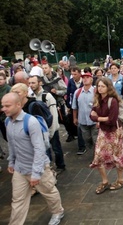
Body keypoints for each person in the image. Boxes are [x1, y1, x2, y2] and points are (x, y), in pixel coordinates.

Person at [2, 92, 64, 225]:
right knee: (18, 200)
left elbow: (39, 149)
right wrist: (11, 161)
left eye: (7, 105)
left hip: (38, 168)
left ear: (18, 105)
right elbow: (11, 144)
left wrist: (36, 173)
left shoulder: (31, 122)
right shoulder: (8, 121)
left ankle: (58, 212)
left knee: (49, 192)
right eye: (3, 106)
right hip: (20, 168)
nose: (4, 109)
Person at [90, 77, 123, 194]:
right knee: (98, 156)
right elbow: (91, 114)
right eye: (98, 86)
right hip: (103, 131)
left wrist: (98, 118)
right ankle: (105, 181)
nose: (100, 89)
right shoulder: (97, 99)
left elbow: (111, 120)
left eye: (103, 86)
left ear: (108, 87)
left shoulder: (113, 101)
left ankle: (120, 180)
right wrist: (101, 119)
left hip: (115, 132)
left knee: (117, 155)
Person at [28, 75, 66, 175]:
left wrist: (51, 132)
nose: (31, 85)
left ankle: (60, 165)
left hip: (51, 129)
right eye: (30, 83)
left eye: (33, 83)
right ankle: (48, 168)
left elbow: (53, 115)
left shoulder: (47, 96)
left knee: (56, 148)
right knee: (45, 151)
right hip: (39, 131)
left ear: (40, 83)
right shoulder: (31, 96)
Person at [72, 72, 98, 155]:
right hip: (83, 121)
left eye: (87, 77)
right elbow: (75, 107)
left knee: (96, 139)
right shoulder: (77, 92)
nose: (85, 79)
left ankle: (96, 157)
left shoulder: (96, 91)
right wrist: (75, 118)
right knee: (87, 139)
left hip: (95, 121)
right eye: (83, 78)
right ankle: (94, 151)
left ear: (91, 79)